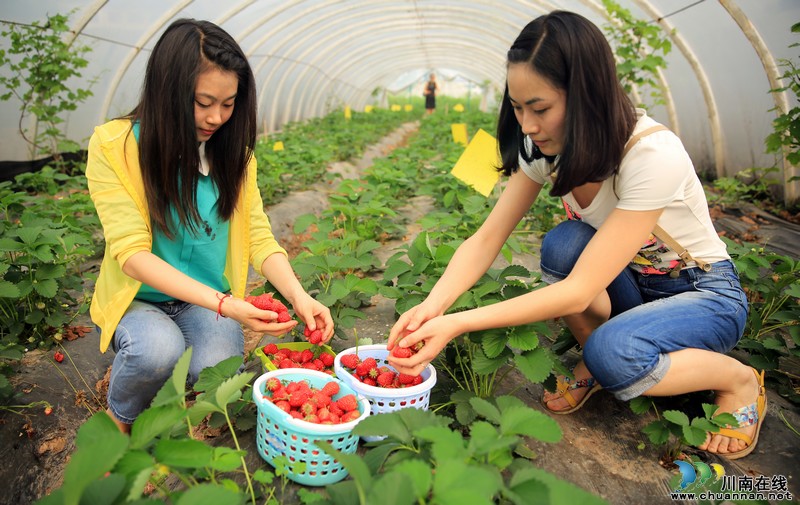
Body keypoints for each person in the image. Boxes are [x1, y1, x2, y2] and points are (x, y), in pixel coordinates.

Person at [388, 10, 764, 460]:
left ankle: (738, 379)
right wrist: (432, 306)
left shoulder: (651, 154)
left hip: (701, 295)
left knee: (613, 350)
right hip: (633, 284)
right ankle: (603, 356)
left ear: (586, 95)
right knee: (564, 244)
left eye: (540, 108)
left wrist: (458, 322)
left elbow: (580, 290)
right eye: (517, 107)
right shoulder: (545, 148)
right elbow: (487, 239)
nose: (527, 125)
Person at [86, 19, 334, 434]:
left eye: (228, 103)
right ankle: (120, 415)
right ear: (169, 90)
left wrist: (298, 296)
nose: (217, 117)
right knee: (155, 351)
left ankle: (174, 372)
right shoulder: (116, 147)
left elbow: (258, 237)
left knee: (218, 372)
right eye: (203, 102)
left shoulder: (235, 159)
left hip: (204, 303)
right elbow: (131, 255)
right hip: (139, 300)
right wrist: (228, 307)